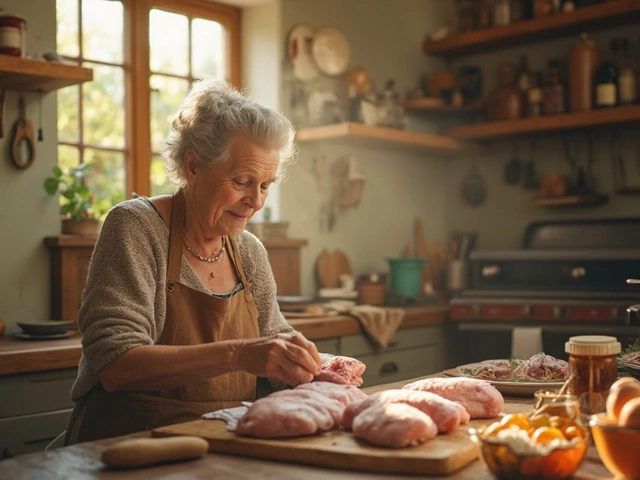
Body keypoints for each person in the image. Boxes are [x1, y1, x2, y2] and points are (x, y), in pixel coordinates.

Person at [64, 78, 334, 445]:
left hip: (223, 447)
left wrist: (312, 367)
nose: (256, 201)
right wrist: (239, 353)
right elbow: (116, 365)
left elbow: (273, 343)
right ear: (193, 167)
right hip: (125, 448)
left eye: (266, 185)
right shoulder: (136, 228)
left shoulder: (249, 252)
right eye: (242, 181)